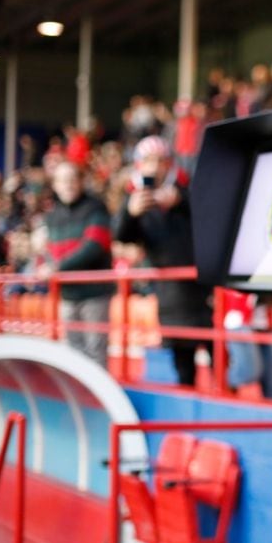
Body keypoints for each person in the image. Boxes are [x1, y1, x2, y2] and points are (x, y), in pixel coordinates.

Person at [113, 136, 211, 387]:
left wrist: (180, 201)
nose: (154, 167)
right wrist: (130, 213)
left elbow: (211, 217)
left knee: (222, 358)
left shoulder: (186, 188)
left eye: (160, 160)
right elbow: (121, 235)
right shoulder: (134, 199)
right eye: (148, 161)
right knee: (183, 364)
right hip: (171, 294)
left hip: (204, 287)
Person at [43, 161, 113, 365]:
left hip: (95, 295)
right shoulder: (52, 215)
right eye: (63, 181)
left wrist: (57, 268)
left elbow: (95, 245)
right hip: (68, 295)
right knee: (73, 355)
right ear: (55, 185)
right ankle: (78, 397)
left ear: (81, 182)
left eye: (73, 179)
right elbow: (51, 248)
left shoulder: (96, 207)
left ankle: (96, 397)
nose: (68, 185)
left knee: (95, 353)